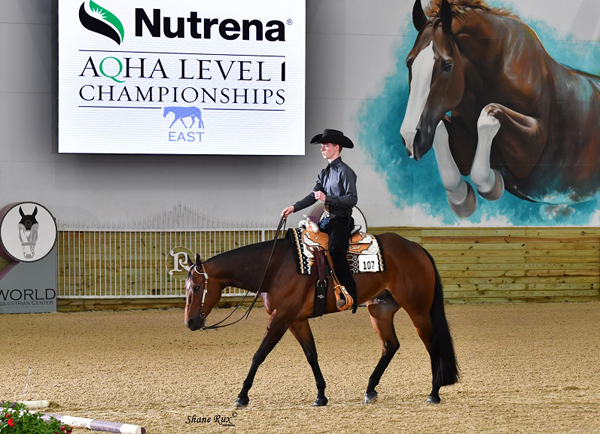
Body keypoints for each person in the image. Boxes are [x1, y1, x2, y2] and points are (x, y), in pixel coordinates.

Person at [281, 129, 358, 313]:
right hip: (328, 220)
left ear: (336, 147)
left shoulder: (346, 172)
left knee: (335, 250)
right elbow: (314, 195)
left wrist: (328, 199)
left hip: (341, 220)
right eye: (322, 145)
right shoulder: (324, 173)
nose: (322, 148)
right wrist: (294, 207)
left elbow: (352, 199)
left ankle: (351, 294)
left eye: (326, 145)